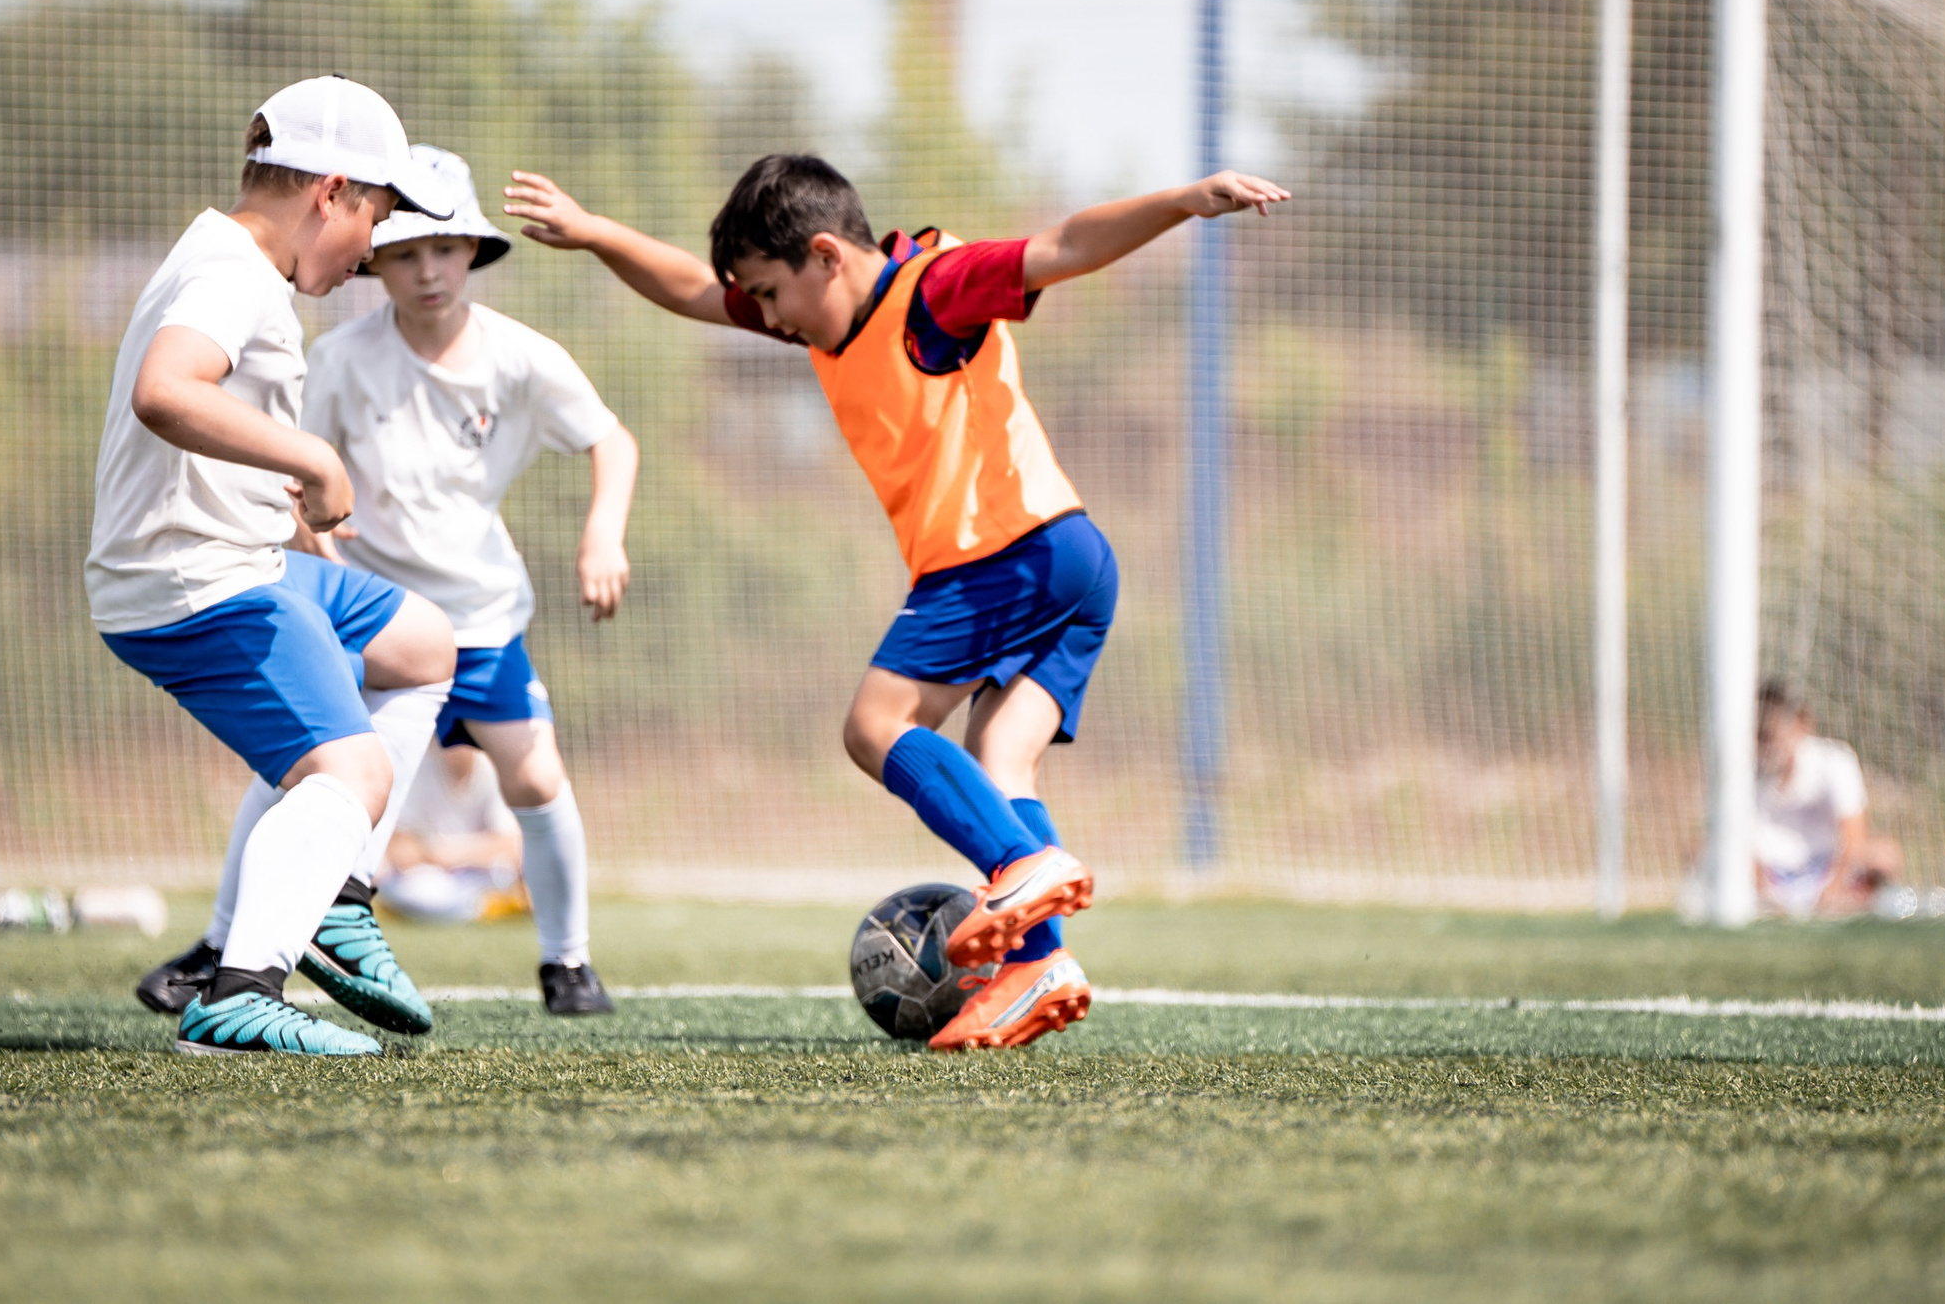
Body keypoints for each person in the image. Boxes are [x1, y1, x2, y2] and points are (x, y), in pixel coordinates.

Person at [503, 153, 1288, 1049]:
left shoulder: (935, 292)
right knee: (1000, 759)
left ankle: (1023, 865)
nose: (767, 317)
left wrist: (1185, 201)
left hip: (1006, 553)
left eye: (769, 293)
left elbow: (1064, 245)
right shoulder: (822, 316)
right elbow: (690, 288)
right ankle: (1040, 965)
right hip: (1071, 560)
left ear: (826, 255)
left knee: (874, 725)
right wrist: (595, 231)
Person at [97, 74, 459, 1057]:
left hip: (241, 555)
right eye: (375, 219)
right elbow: (166, 391)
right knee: (352, 769)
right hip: (192, 583)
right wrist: (317, 459)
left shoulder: (229, 258)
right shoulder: (233, 272)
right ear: (330, 193)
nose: (371, 252)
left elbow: (211, 427)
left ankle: (335, 892)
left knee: (424, 644)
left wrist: (289, 509)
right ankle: (239, 991)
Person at [300, 144, 635, 1014]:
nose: (428, 270)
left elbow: (612, 439)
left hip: (480, 621)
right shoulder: (339, 359)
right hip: (374, 615)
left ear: (475, 251)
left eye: (444, 248)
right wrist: (319, 548)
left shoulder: (520, 356)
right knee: (323, 780)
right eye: (405, 251)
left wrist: (602, 534)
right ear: (373, 259)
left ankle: (568, 962)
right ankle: (231, 948)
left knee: (536, 779)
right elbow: (295, 473)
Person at [1754, 678, 1908, 918]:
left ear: (1801, 725)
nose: (1769, 746)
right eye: (1762, 736)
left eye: (1772, 734)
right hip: (1774, 875)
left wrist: (1831, 890)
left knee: (1885, 855)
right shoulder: (1744, 772)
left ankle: (1848, 902)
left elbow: (1854, 840)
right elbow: (1741, 846)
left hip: (1825, 870)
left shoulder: (1835, 762)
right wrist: (1768, 894)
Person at [376, 742, 530, 927]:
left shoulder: (494, 770)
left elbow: (512, 845)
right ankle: (485, 908)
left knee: (503, 877)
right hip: (432, 875)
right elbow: (399, 840)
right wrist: (420, 852)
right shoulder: (421, 768)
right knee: (414, 889)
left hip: (481, 874)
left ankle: (487, 906)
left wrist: (447, 853)